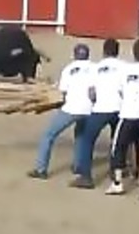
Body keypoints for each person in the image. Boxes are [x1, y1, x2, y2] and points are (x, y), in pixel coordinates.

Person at [27, 44, 93, 179]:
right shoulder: (96, 68)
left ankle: (41, 169)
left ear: (74, 55)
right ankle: (78, 166)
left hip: (71, 108)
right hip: (90, 109)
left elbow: (62, 92)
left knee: (48, 135)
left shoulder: (68, 69)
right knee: (81, 136)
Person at [71, 38, 124, 189]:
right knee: (117, 141)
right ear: (117, 52)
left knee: (86, 138)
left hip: (101, 108)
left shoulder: (97, 68)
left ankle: (86, 176)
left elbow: (92, 93)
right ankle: (116, 170)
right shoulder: (124, 67)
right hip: (119, 109)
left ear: (104, 52)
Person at [105, 39, 139, 195]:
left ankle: (117, 183)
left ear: (133, 53)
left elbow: (120, 91)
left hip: (128, 114)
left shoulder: (125, 70)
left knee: (118, 147)